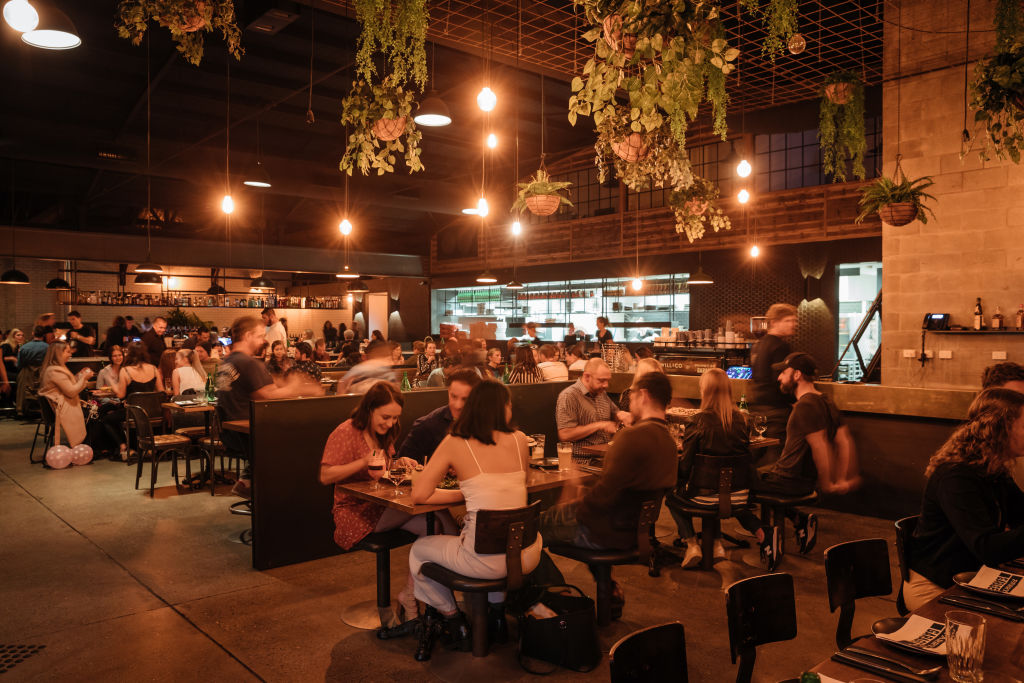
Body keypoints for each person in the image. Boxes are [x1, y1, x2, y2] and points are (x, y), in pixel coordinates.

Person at [407, 380, 542, 660]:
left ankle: (455, 620)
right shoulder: (519, 438)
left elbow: (419, 495)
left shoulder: (455, 441)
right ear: (498, 407)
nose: (511, 409)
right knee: (498, 541)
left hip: (483, 560)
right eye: (508, 404)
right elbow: (524, 483)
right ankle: (497, 618)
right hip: (527, 555)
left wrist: (464, 493)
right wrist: (470, 492)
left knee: (418, 551)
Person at [535, 372, 678, 618]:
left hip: (603, 531)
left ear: (643, 395)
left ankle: (553, 597)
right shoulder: (669, 441)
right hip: (634, 530)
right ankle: (607, 586)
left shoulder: (631, 437)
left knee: (526, 532)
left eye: (631, 395)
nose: (629, 402)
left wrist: (573, 496)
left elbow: (598, 503)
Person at [320, 382, 449, 633]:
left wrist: (399, 461)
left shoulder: (383, 432)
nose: (391, 423)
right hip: (354, 513)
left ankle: (411, 595)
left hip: (380, 506)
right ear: (369, 409)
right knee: (432, 510)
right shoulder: (346, 432)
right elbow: (326, 475)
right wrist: (362, 461)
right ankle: (452, 595)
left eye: (395, 418)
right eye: (386, 417)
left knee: (433, 526)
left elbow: (384, 469)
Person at [902, 388, 1024, 610]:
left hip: (974, 575)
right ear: (1001, 428)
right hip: (936, 587)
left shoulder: (994, 469)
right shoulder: (956, 475)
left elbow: (1021, 515)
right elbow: (988, 548)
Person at [667, 368, 780, 570]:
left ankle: (692, 543)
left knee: (670, 493)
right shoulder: (741, 421)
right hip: (739, 496)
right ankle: (760, 533)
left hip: (704, 497)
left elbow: (684, 468)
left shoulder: (697, 421)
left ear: (705, 391)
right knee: (722, 489)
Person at [753, 352, 861, 555]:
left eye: (783, 372)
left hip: (788, 480)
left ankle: (767, 536)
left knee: (738, 480)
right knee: (756, 474)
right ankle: (798, 520)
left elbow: (820, 446)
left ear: (797, 375)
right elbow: (844, 441)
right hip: (800, 480)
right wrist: (846, 477)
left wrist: (829, 483)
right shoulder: (825, 401)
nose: (779, 378)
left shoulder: (805, 406)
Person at [218, 316, 324, 496]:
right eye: (260, 336)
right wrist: (297, 387)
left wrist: (283, 384)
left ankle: (249, 480)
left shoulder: (228, 362)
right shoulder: (248, 362)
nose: (263, 341)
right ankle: (286, 497)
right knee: (310, 439)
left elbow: (262, 387)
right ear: (248, 335)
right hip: (251, 432)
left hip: (230, 433)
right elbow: (267, 396)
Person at [397, 369, 482, 464]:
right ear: (448, 392)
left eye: (465, 399)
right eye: (453, 396)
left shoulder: (488, 422)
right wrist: (402, 461)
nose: (458, 405)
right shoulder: (427, 426)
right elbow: (402, 462)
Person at [749, 303, 798, 460]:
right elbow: (782, 382)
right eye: (788, 320)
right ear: (774, 322)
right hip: (776, 411)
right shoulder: (781, 347)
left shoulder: (758, 345)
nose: (794, 324)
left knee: (756, 454)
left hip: (757, 410)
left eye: (794, 321)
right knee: (775, 457)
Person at [556, 358, 631, 455]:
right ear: (587, 376)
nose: (606, 385)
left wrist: (622, 415)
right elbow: (565, 434)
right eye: (601, 380)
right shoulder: (569, 396)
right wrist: (599, 425)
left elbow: (615, 412)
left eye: (607, 381)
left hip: (605, 454)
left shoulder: (601, 393)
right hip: (583, 460)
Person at [37, 341, 93, 448]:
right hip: (60, 410)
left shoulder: (55, 369)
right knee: (96, 416)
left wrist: (80, 376)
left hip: (60, 407)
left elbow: (68, 386)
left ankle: (90, 446)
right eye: (67, 352)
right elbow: (71, 392)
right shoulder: (55, 371)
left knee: (97, 412)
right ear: (58, 353)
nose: (70, 354)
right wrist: (84, 378)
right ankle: (88, 447)